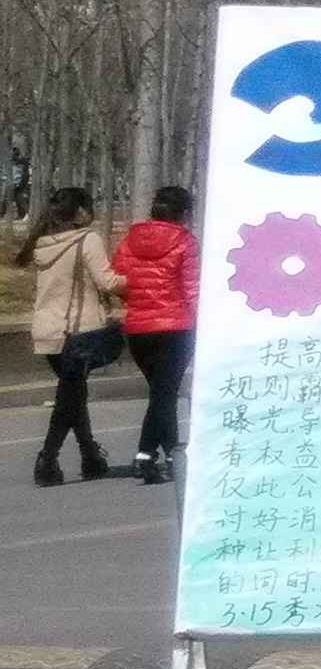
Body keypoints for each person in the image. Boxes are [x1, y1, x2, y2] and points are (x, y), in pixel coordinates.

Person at [25, 188, 122, 486]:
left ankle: (90, 456)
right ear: (80, 211)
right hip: (78, 331)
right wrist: (142, 280)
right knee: (69, 399)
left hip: (47, 330)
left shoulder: (43, 243)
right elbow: (107, 281)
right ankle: (47, 458)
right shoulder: (87, 239)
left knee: (73, 394)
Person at [112, 183, 196, 482]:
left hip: (138, 328)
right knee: (164, 394)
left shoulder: (129, 240)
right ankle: (146, 454)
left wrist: (138, 302)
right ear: (184, 213)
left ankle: (170, 454)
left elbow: (120, 280)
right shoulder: (185, 241)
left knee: (161, 394)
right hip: (175, 327)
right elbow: (192, 288)